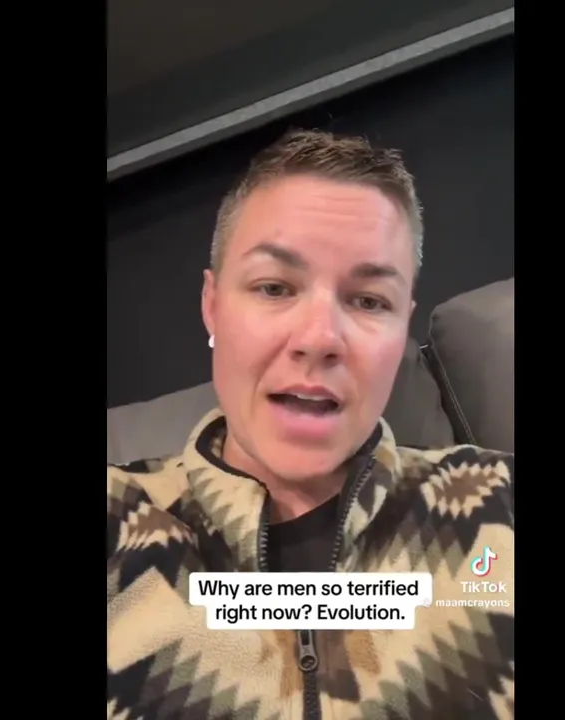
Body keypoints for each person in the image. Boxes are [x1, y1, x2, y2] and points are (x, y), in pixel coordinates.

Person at [107, 130, 515, 718]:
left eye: (369, 300)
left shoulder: (499, 504)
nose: (320, 338)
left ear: (403, 323)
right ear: (212, 305)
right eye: (274, 288)